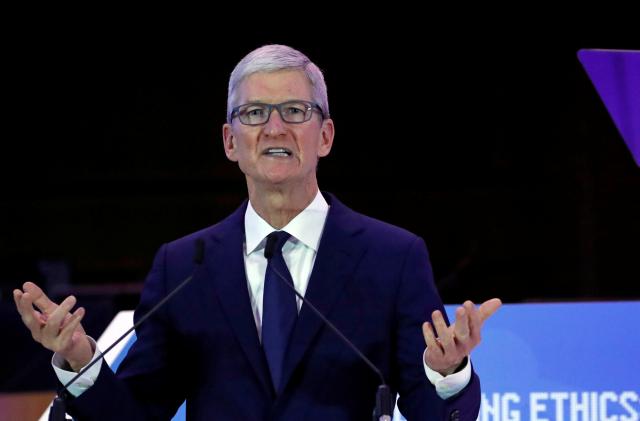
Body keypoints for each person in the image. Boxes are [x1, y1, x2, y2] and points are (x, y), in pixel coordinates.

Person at [14, 44, 501, 420]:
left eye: (295, 111)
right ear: (231, 142)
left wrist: (447, 372)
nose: (274, 128)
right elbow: (136, 412)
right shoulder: (185, 266)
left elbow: (434, 413)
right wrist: (79, 359)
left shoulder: (391, 257)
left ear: (325, 136)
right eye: (254, 114)